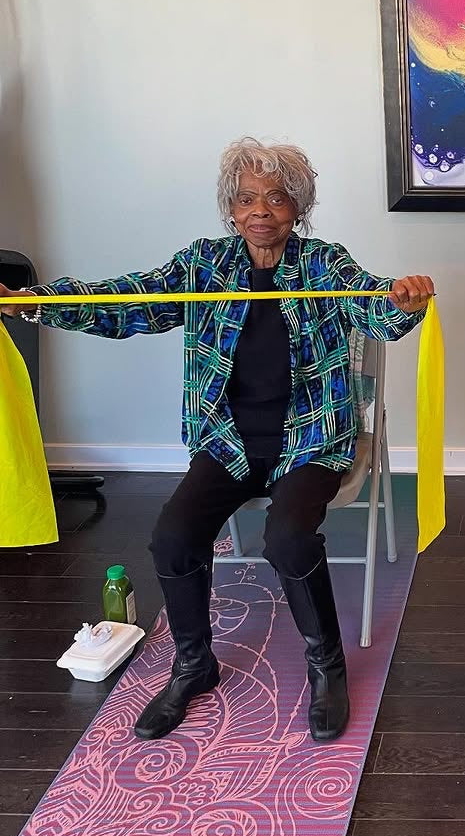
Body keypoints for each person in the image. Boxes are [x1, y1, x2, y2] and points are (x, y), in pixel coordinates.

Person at [1, 138, 434, 745]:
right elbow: (129, 302)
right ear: (231, 208)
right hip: (228, 440)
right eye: (247, 198)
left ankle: (326, 666)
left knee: (287, 538)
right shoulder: (203, 264)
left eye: (277, 198)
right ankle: (193, 664)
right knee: (172, 538)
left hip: (308, 440)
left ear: (298, 208)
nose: (261, 211)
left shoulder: (324, 264)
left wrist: (405, 301)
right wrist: (36, 304)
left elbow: (376, 311)